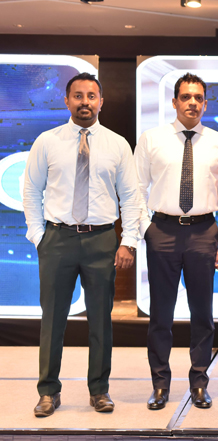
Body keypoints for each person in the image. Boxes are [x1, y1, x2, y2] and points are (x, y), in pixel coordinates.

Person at [23, 72, 141, 417]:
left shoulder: (117, 144)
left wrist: (128, 241)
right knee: (53, 319)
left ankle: (99, 390)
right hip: (57, 239)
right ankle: (48, 391)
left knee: (101, 319)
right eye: (78, 96)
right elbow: (30, 190)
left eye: (91, 96)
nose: (85, 102)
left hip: (101, 240)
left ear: (101, 102)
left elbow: (131, 197)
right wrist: (38, 236)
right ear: (66, 101)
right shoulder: (47, 141)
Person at [135, 73, 218, 410]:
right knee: (160, 314)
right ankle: (160, 384)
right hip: (162, 231)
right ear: (174, 101)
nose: (192, 103)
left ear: (205, 104)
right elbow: (136, 188)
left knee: (202, 313)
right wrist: (146, 229)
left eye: (198, 98)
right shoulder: (152, 139)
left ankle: (199, 383)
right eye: (186, 97)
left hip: (204, 232)